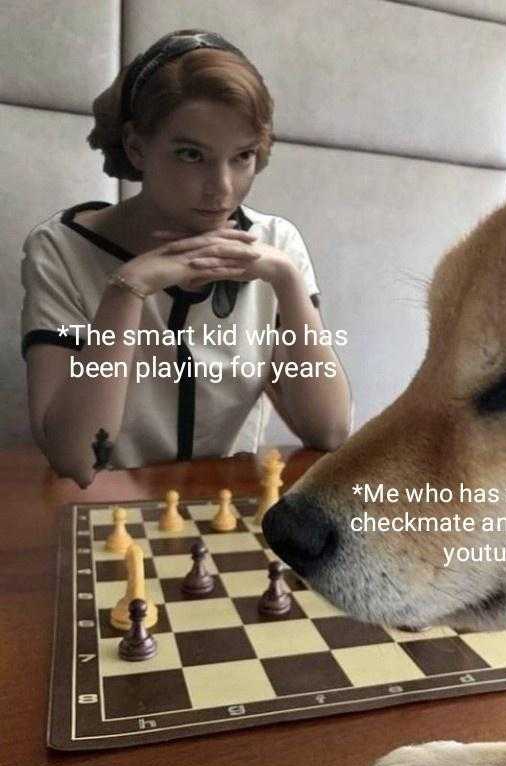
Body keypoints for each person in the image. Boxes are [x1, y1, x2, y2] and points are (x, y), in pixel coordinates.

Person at [20, 29, 352, 488]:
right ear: (137, 147)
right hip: (110, 518)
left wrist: (287, 279)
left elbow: (330, 430)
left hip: (225, 516)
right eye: (191, 155)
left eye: (242, 157)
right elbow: (75, 457)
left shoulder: (275, 243)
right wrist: (127, 289)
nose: (221, 188)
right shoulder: (61, 250)